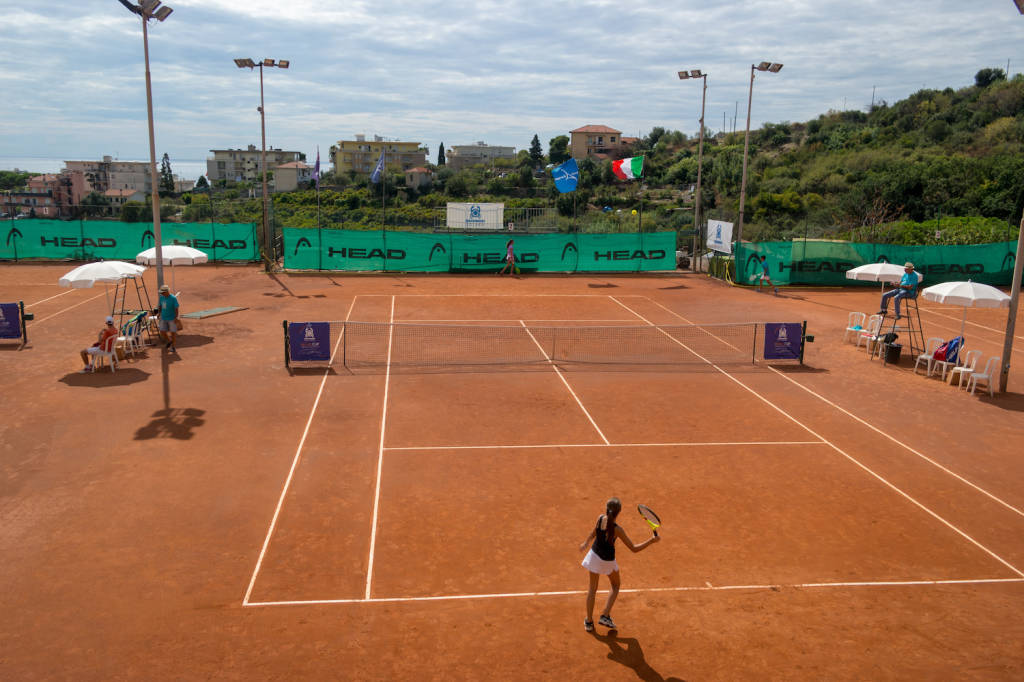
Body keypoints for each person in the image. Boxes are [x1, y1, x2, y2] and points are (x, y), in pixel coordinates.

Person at [579, 497, 660, 632]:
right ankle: (605, 615)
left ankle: (589, 622)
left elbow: (594, 532)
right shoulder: (618, 530)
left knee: (592, 589)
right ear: (618, 513)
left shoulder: (600, 519)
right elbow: (634, 549)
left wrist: (586, 543)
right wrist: (652, 541)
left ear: (606, 509)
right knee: (616, 585)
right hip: (607, 561)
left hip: (593, 556)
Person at [156, 284, 180, 352]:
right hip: (163, 317)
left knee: (173, 333)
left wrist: (176, 317)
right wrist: (159, 313)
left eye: (163, 292)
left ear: (167, 292)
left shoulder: (173, 298)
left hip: (172, 318)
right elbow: (160, 306)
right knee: (162, 331)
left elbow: (176, 308)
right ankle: (169, 341)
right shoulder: (161, 297)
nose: (162, 294)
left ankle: (173, 347)